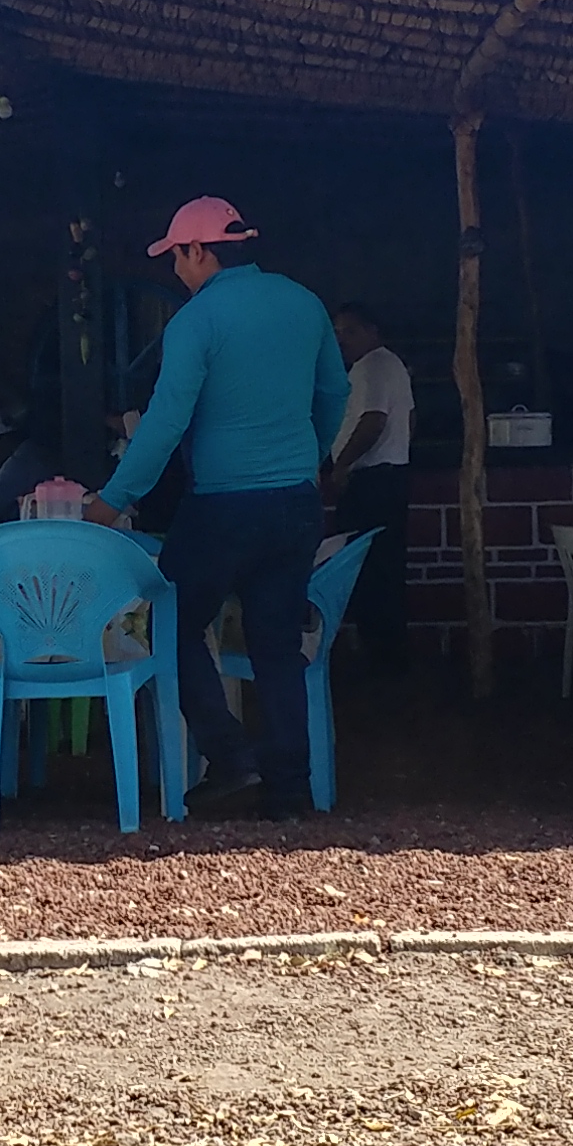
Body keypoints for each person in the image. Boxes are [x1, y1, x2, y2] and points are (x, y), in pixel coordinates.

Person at [94, 197, 346, 819]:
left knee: (172, 625)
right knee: (277, 643)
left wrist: (114, 498)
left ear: (199, 251)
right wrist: (309, 453)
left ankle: (230, 757)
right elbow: (334, 392)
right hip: (295, 503)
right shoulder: (303, 302)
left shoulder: (196, 320)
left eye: (177, 256)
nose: (175, 270)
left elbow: (165, 422)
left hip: (223, 507)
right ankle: (290, 790)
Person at [318, 301, 414, 673]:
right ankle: (387, 656)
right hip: (388, 477)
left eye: (351, 331)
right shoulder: (390, 366)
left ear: (373, 331)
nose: (342, 340)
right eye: (338, 332)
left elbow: (373, 420)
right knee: (383, 568)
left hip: (372, 480)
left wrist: (342, 466)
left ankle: (379, 659)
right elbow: (410, 418)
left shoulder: (373, 365)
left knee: (366, 570)